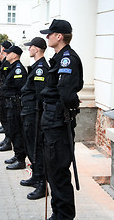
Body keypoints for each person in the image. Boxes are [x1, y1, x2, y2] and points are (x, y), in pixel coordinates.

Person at [40, 19, 83, 220]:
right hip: (51, 121)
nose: (46, 37)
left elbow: (66, 93)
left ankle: (64, 216)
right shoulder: (58, 58)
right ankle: (58, 213)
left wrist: (73, 102)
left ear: (60, 36)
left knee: (58, 172)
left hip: (58, 122)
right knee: (53, 171)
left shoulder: (68, 59)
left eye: (49, 34)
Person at [20, 37, 49, 200]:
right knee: (31, 146)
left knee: (36, 148)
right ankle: (35, 176)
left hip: (35, 114)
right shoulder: (37, 66)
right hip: (30, 113)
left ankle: (41, 183)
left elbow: (40, 94)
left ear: (36, 49)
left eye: (30, 47)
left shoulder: (41, 68)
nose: (28, 49)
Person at [3, 46, 27, 170]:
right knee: (12, 130)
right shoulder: (12, 68)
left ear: (15, 55)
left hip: (15, 105)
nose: (6, 54)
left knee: (17, 132)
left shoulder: (18, 69)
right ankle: (17, 155)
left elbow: (19, 88)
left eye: (8, 53)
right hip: (10, 104)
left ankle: (20, 159)